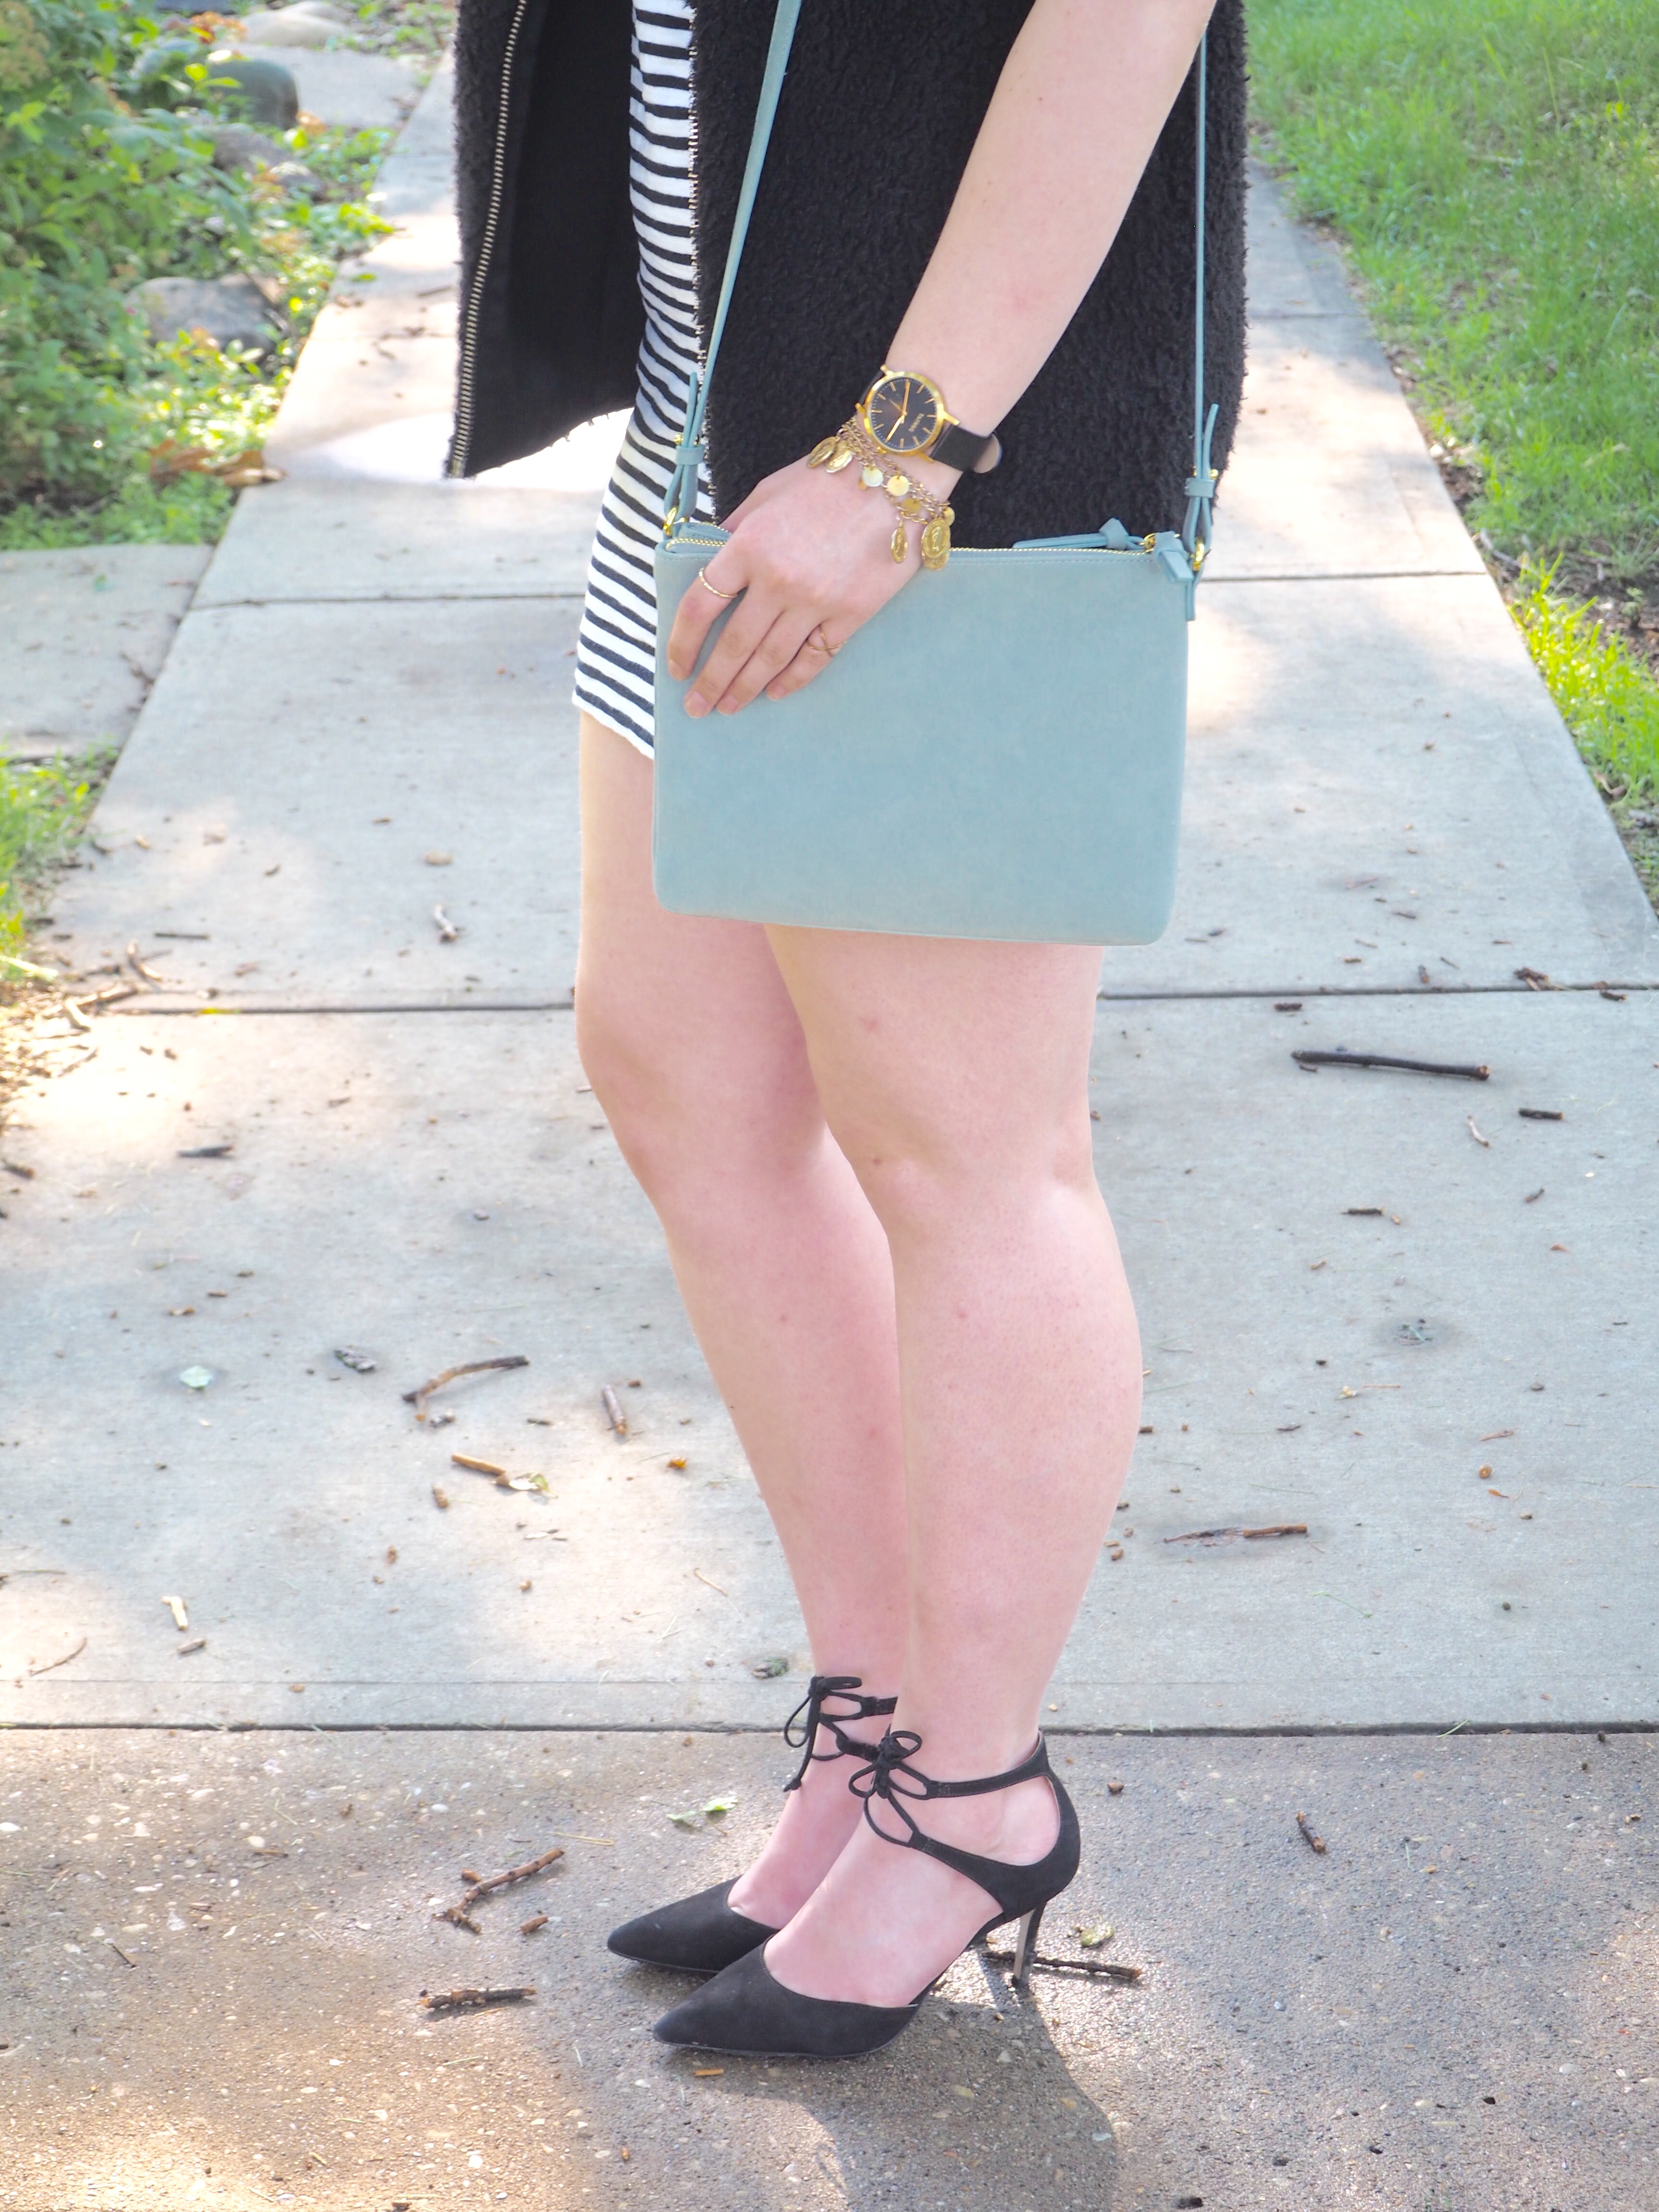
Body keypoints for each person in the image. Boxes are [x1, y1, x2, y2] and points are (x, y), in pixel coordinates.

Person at [451, 0, 1245, 2059]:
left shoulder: (909, 459)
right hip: (720, 409)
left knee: (965, 1145)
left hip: (920, 457)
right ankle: (879, 1734)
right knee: (682, 1076)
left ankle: (976, 1799)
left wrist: (908, 446)